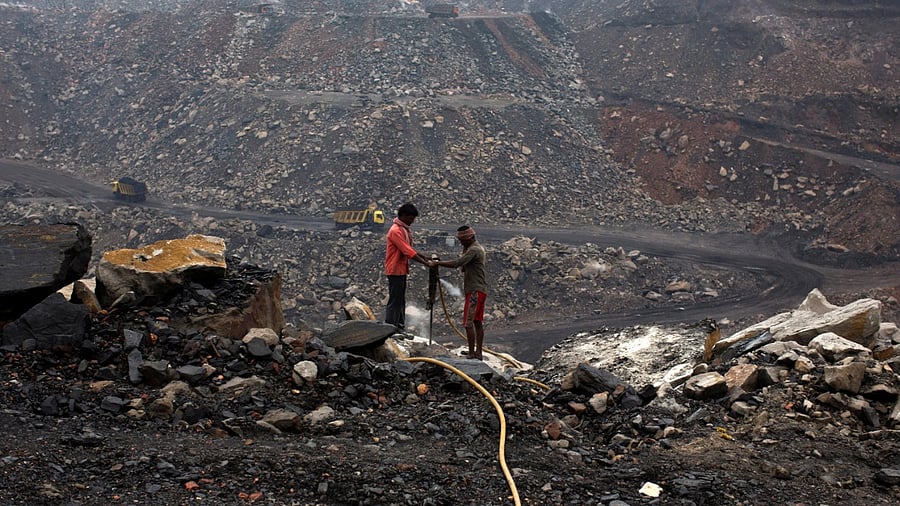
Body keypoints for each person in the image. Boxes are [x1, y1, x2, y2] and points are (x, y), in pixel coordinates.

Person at [434, 225, 488, 360]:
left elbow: (457, 263)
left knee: (468, 323)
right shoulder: (473, 248)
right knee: (477, 322)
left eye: (462, 241)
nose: (461, 243)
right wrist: (465, 247)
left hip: (475, 290)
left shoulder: (474, 250)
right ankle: (478, 352)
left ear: (470, 238)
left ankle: (472, 353)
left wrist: (437, 264)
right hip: (479, 289)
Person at [384, 202, 430, 330]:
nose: (412, 221)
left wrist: (424, 257)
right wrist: (425, 263)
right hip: (395, 269)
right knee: (395, 300)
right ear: (403, 216)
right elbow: (407, 251)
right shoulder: (396, 231)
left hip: (400, 269)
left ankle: (399, 326)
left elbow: (409, 248)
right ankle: (390, 327)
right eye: (410, 218)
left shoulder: (402, 229)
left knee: (400, 299)